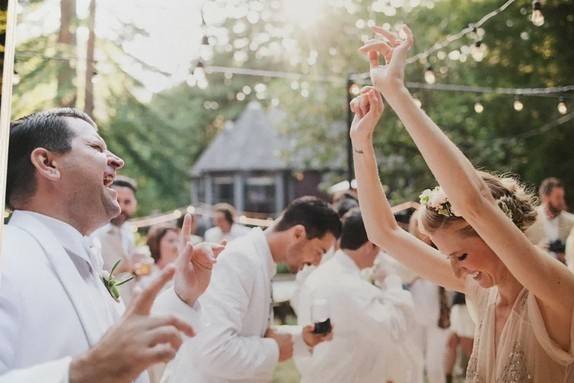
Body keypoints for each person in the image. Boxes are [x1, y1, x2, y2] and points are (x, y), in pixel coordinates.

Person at [353, 25, 574, 381]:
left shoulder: (555, 293)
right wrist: (361, 141)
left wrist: (396, 92)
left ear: (495, 232)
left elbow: (475, 203)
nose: (454, 270)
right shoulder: (481, 291)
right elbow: (384, 232)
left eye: (461, 255)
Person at [0, 108, 219, 381]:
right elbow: (102, 362)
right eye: (95, 146)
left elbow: (117, 350)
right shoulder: (6, 257)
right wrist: (86, 372)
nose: (117, 161)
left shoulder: (86, 257)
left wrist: (182, 295)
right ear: (47, 163)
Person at [161, 196, 341, 383]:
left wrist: (300, 339)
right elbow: (214, 353)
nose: (317, 262)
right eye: (319, 251)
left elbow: (248, 332)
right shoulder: (241, 259)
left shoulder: (258, 259)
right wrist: (274, 349)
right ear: (298, 234)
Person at [293, 208, 422, 383]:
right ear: (370, 246)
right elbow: (395, 329)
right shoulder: (351, 286)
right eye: (380, 248)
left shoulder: (323, 273)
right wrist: (392, 282)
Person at [406, 210, 451, 383]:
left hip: (438, 317)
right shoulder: (407, 251)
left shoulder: (443, 251)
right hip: (414, 316)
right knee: (414, 364)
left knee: (435, 365)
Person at [91, 175, 139, 303]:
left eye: (127, 202)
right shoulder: (94, 233)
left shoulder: (128, 231)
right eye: (117, 200)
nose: (121, 207)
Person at [525, 177, 574, 263]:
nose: (562, 201)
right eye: (558, 198)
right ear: (545, 198)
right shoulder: (528, 219)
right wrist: (537, 249)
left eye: (562, 197)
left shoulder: (571, 221)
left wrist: (567, 256)